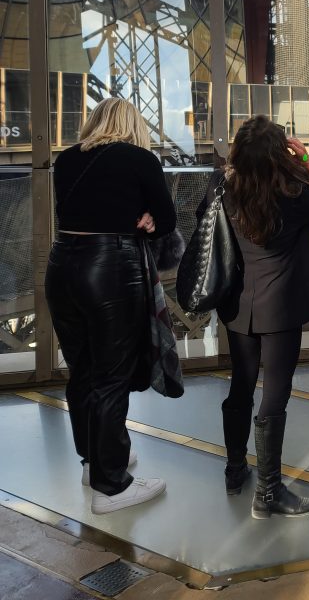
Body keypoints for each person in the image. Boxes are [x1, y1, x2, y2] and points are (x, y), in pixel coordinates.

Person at [208, 116, 309, 518]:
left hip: (239, 306)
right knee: (274, 396)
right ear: (278, 153)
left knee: (241, 386)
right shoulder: (292, 192)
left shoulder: (223, 188)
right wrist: (306, 159)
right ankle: (269, 493)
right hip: (281, 308)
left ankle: (236, 471)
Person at [45, 97, 176, 514]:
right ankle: (113, 485)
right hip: (110, 268)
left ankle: (94, 462)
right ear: (133, 125)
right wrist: (151, 219)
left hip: (61, 264)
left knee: (82, 369)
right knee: (111, 375)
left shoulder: (66, 160)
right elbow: (167, 219)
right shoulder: (140, 159)